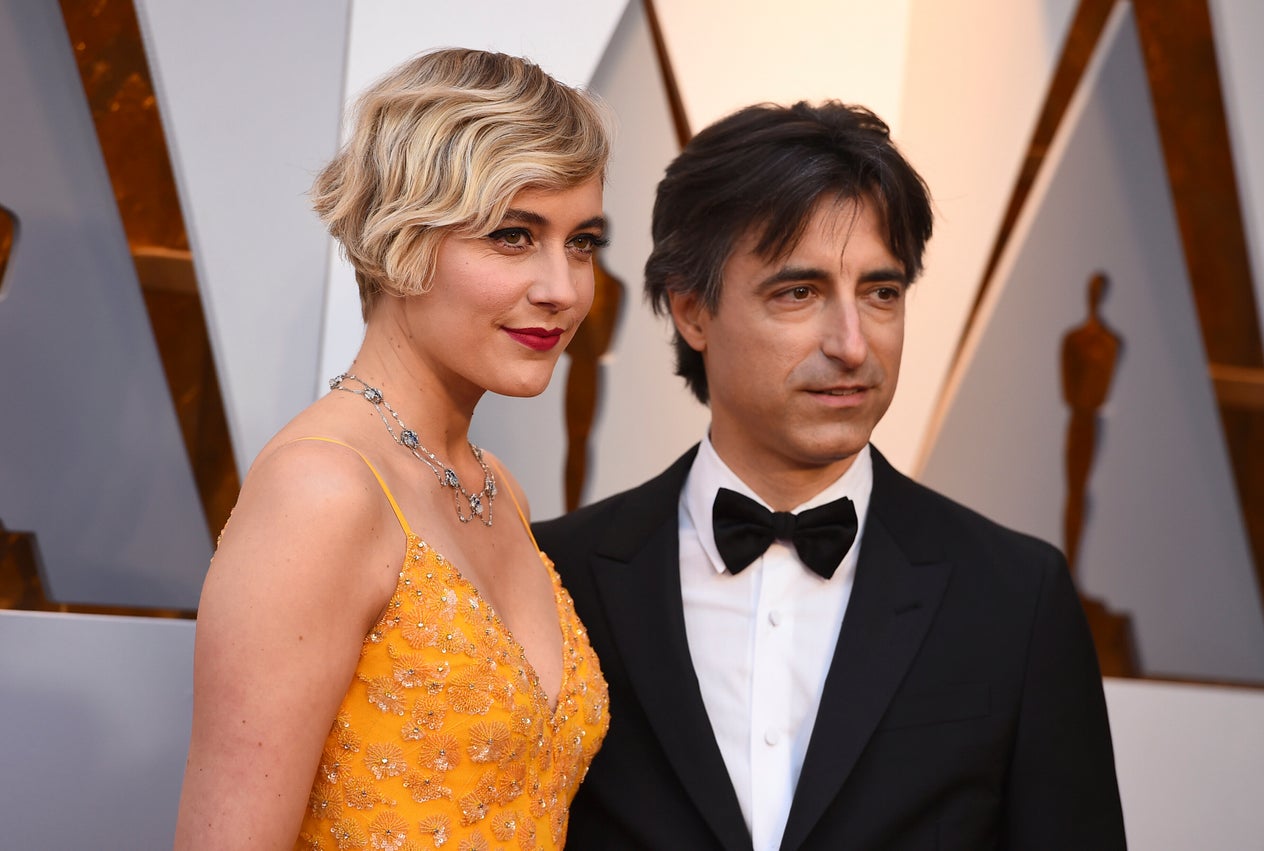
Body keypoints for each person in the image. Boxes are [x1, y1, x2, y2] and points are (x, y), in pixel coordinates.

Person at [533, 101, 1126, 849]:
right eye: (799, 292)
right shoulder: (558, 575)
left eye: (882, 293)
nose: (853, 343)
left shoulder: (1017, 595)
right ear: (691, 310)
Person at [174, 48, 612, 851]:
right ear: (400, 237)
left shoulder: (496, 487)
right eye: (514, 236)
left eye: (581, 242)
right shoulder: (323, 492)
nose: (564, 288)